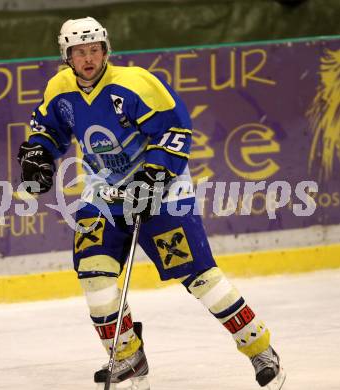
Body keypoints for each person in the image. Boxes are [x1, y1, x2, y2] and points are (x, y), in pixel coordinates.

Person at [17, 16, 286, 390]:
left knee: (202, 279)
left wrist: (154, 178)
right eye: (79, 52)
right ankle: (128, 358)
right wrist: (38, 154)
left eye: (95, 50)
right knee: (94, 276)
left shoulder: (136, 83)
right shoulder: (59, 89)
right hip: (104, 194)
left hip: (163, 192)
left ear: (106, 50)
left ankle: (260, 348)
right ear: (67, 56)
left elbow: (176, 132)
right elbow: (48, 130)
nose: (89, 58)